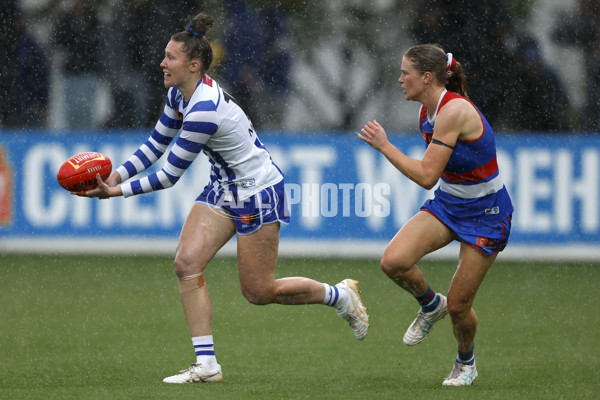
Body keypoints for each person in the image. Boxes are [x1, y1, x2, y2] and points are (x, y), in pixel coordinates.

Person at [75, 12, 369, 383]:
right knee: (186, 264)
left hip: (259, 193)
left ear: (194, 65)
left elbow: (168, 176)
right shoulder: (177, 95)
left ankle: (339, 296)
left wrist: (115, 192)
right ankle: (207, 365)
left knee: (259, 292)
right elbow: (155, 146)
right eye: (165, 55)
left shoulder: (203, 111)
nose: (162, 62)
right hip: (223, 188)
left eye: (171, 57)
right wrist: (113, 174)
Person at [358, 44, 513, 386]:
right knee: (393, 262)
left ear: (426, 77)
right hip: (449, 204)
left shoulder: (453, 111)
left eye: (405, 73)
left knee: (459, 306)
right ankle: (430, 305)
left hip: (486, 214)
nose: (400, 80)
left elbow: (427, 175)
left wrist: (384, 145)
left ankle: (466, 363)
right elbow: (439, 177)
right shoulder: (426, 112)